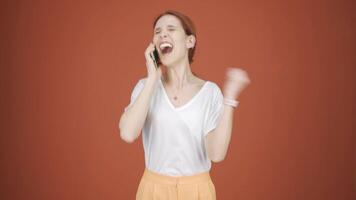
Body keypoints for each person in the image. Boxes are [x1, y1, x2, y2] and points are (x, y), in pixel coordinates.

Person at [118, 10, 250, 200]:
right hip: (153, 190)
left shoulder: (210, 92)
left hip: (197, 191)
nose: (163, 34)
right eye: (157, 31)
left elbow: (216, 153)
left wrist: (229, 98)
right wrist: (152, 79)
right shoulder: (144, 87)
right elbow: (128, 133)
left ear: (190, 41)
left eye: (171, 29)